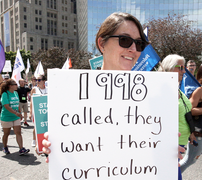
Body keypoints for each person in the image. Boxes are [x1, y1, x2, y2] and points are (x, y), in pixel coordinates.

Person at [41, 12, 185, 163]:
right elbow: (68, 146)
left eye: (139, 44)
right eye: (125, 40)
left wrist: (166, 149)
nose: (133, 49)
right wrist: (53, 148)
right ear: (102, 44)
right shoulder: (73, 92)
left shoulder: (152, 96)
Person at [158, 54, 196, 180]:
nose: (184, 71)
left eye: (184, 67)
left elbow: (186, 113)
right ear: (168, 68)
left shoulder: (178, 89)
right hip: (169, 144)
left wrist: (191, 133)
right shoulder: (160, 89)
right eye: (180, 67)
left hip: (181, 141)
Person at [0, 79, 30, 155]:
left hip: (15, 117)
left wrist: (20, 113)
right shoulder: (5, 94)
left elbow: (18, 104)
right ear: (10, 86)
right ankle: (5, 147)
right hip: (6, 117)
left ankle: (21, 148)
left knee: (18, 132)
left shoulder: (16, 93)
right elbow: (6, 106)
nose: (17, 85)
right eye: (15, 84)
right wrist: (16, 113)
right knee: (6, 133)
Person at [29, 75, 47, 147]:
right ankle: (34, 140)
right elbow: (31, 101)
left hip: (45, 111)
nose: (37, 81)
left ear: (44, 81)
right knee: (36, 127)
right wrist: (30, 112)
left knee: (45, 126)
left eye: (39, 80)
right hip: (37, 111)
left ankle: (44, 140)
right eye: (36, 80)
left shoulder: (48, 89)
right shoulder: (34, 89)